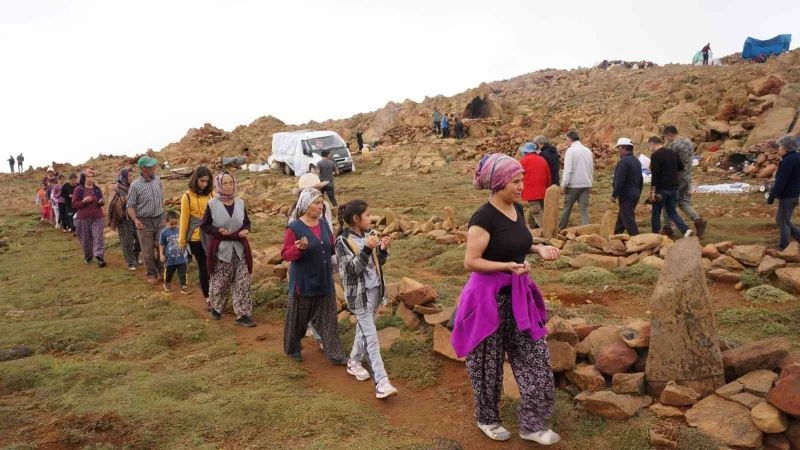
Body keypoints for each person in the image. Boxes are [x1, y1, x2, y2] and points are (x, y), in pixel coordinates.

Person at [452, 153, 561, 445]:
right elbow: (471, 261)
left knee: (536, 357)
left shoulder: (518, 209)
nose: (521, 186)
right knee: (487, 364)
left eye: (522, 180)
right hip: (488, 300)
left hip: (518, 297)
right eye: (515, 181)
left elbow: (519, 242)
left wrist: (538, 249)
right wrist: (506, 267)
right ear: (498, 184)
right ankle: (487, 418)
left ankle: (533, 425)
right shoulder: (483, 218)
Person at [335, 199, 398, 399]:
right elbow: (352, 269)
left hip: (375, 291)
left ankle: (354, 362)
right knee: (371, 338)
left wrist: (382, 250)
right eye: (368, 215)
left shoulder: (369, 234)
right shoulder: (342, 242)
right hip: (359, 296)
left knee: (364, 330)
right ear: (356, 218)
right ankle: (382, 382)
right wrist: (367, 250)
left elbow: (378, 263)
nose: (372, 218)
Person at [281, 188, 347, 364]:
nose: (320, 207)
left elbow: (331, 248)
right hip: (303, 282)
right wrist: (298, 249)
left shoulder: (324, 224)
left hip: (324, 279)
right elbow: (286, 254)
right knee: (297, 319)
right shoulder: (294, 227)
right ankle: (293, 349)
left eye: (321, 203)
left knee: (329, 319)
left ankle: (335, 354)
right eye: (316, 203)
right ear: (306, 205)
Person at [201, 170, 256, 327]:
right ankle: (216, 308)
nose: (228, 186)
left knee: (243, 281)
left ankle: (243, 315)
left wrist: (245, 230)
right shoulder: (212, 204)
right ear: (219, 185)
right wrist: (217, 231)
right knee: (220, 282)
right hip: (221, 250)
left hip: (239, 248)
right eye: (224, 183)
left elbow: (247, 223)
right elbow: (205, 226)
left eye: (231, 182)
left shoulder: (240, 203)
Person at [662, 125, 707, 237]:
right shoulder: (688, 142)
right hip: (687, 176)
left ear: (669, 134)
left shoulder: (672, 145)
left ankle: (667, 228)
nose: (666, 139)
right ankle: (697, 220)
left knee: (667, 202)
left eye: (666, 136)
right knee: (683, 201)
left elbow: (668, 162)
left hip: (675, 178)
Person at [127, 156, 165, 284]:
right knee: (147, 250)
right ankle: (151, 274)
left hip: (159, 218)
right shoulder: (135, 186)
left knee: (162, 245)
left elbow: (162, 199)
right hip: (144, 221)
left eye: (154, 165)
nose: (154, 167)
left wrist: (163, 214)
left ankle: (162, 270)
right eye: (151, 165)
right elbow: (130, 206)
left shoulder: (157, 180)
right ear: (143, 168)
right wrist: (135, 220)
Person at [179, 166, 214, 309]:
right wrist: (182, 241)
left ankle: (214, 292)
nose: (204, 184)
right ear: (196, 180)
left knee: (212, 265)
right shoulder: (186, 197)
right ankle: (208, 297)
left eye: (207, 181)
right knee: (204, 266)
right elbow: (184, 219)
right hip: (195, 238)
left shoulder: (211, 194)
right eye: (202, 181)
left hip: (210, 235)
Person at [648, 136, 692, 238]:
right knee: (672, 212)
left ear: (652, 144)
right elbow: (681, 167)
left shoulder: (655, 155)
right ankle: (686, 230)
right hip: (674, 188)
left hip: (661, 189)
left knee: (656, 212)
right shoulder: (672, 153)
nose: (650, 149)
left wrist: (653, 191)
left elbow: (655, 175)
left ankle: (655, 235)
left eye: (649, 146)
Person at [767, 135, 800, 250]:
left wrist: (772, 196)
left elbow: (781, 181)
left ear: (786, 148)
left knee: (783, 222)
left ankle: (784, 247)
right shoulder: (797, 157)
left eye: (780, 147)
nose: (778, 150)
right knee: (780, 220)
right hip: (794, 194)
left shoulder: (787, 161)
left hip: (788, 196)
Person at [559, 131, 594, 230]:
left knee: (567, 208)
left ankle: (561, 229)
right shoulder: (588, 151)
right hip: (586, 184)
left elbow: (568, 170)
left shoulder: (571, 151)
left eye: (566, 140)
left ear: (570, 139)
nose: (566, 142)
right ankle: (586, 230)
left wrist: (564, 185)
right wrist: (590, 183)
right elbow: (591, 169)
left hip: (573, 185)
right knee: (584, 210)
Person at [72, 169, 107, 267]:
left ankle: (100, 257)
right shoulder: (79, 189)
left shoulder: (97, 189)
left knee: (98, 237)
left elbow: (101, 201)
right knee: (86, 240)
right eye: (88, 177)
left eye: (92, 176)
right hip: (83, 218)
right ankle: (88, 256)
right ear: (84, 177)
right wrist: (83, 201)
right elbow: (74, 204)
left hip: (98, 217)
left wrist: (102, 202)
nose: (90, 178)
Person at [109, 168, 140, 270]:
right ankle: (130, 262)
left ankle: (135, 256)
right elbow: (112, 205)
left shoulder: (134, 187)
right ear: (123, 177)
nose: (131, 178)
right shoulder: (116, 189)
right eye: (129, 176)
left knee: (139, 239)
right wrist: (123, 200)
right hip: (123, 218)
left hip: (135, 216)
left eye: (132, 175)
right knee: (127, 241)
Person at [610, 138, 643, 236]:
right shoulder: (636, 161)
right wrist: (638, 192)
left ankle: (637, 240)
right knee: (622, 218)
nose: (618, 151)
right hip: (635, 193)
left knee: (628, 220)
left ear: (623, 148)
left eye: (619, 148)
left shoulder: (623, 162)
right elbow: (640, 180)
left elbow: (619, 180)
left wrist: (614, 195)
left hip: (626, 195)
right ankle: (616, 236)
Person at [519, 142, 551, 229]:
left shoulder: (523, 161)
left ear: (526, 152)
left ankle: (547, 230)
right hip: (542, 190)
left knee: (536, 211)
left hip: (530, 191)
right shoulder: (542, 160)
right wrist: (547, 188)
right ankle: (532, 228)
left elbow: (518, 176)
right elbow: (548, 176)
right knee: (535, 210)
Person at [160, 210, 190, 294]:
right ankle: (167, 283)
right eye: (171, 224)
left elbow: (185, 241)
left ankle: (184, 286)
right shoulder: (164, 233)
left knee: (183, 273)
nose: (174, 226)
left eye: (175, 224)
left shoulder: (180, 230)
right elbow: (161, 244)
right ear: (166, 222)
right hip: (170, 259)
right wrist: (161, 254)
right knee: (169, 273)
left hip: (181, 257)